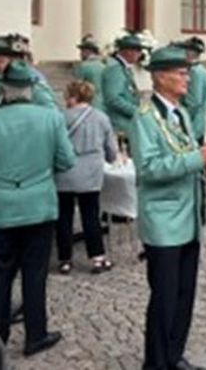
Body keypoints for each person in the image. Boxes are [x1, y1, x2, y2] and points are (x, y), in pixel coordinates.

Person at [0, 60, 76, 356]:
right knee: (35, 275)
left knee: (0, 276)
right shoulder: (51, 119)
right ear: (31, 88)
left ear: (2, 90)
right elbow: (66, 161)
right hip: (39, 206)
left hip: (0, 209)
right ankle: (35, 335)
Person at [131, 45, 206, 370]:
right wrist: (197, 158)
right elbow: (149, 169)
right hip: (163, 221)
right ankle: (155, 362)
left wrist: (202, 157)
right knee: (165, 298)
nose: (188, 78)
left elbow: (182, 155)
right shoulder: (144, 118)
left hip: (188, 218)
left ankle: (174, 355)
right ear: (160, 77)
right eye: (181, 73)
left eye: (187, 72)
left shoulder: (180, 113)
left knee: (185, 295)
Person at [56, 80, 118, 275]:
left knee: (64, 217)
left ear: (72, 96)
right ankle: (97, 257)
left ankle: (64, 259)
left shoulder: (61, 118)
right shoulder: (101, 118)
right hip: (91, 172)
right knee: (91, 215)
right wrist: (110, 158)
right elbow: (111, 150)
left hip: (65, 172)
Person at [103, 33, 146, 137]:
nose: (140, 55)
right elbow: (113, 99)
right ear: (128, 51)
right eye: (138, 51)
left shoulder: (123, 68)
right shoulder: (115, 69)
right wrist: (137, 112)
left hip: (124, 123)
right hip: (118, 124)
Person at [177, 36, 206, 146]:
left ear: (191, 53)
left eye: (185, 50)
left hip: (192, 123)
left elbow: (193, 101)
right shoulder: (202, 70)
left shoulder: (194, 72)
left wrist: (181, 118)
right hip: (198, 121)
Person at [73, 35, 105, 110]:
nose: (80, 54)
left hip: (88, 104)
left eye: (82, 51)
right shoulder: (103, 66)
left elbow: (77, 86)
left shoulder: (83, 66)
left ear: (88, 51)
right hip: (102, 104)